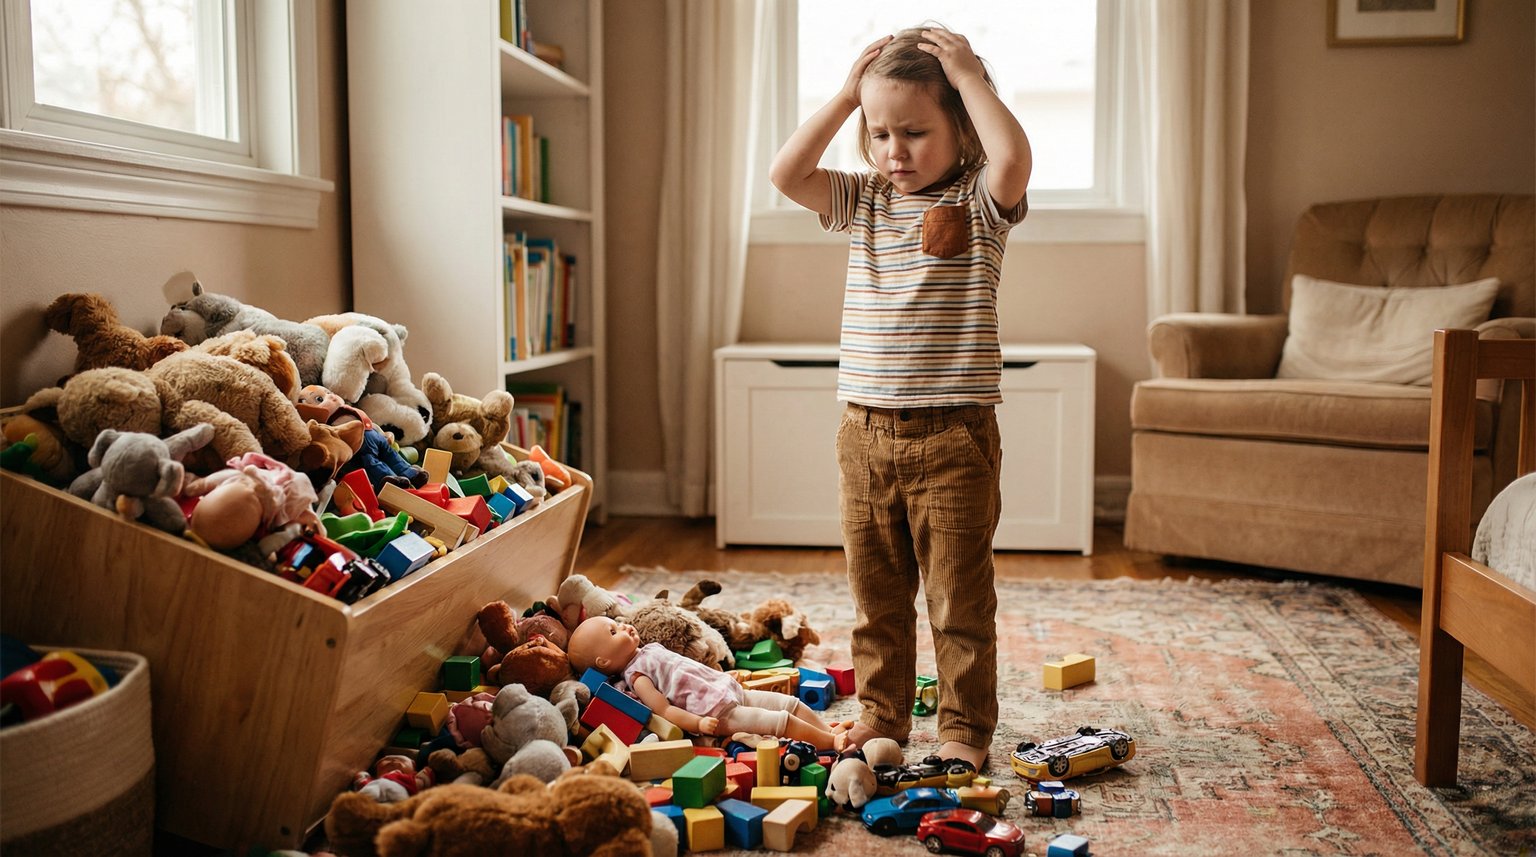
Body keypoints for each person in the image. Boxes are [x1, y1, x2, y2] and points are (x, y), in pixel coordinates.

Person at [767, 25, 1032, 772]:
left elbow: (1013, 156)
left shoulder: (982, 201)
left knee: (958, 602)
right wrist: (847, 94)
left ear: (962, 130)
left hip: (954, 439)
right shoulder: (867, 201)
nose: (895, 150)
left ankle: (963, 729)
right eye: (879, 132)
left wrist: (971, 75)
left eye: (915, 132)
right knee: (876, 597)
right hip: (864, 435)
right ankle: (882, 715)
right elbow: (787, 173)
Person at [566, 615, 846, 749]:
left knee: (789, 702)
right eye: (614, 631)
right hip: (716, 711)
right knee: (778, 720)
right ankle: (830, 742)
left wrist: (721, 676)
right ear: (603, 662)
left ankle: (824, 728)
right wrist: (697, 724)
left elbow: (689, 669)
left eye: (617, 622)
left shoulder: (649, 649)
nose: (624, 626)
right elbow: (664, 711)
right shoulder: (637, 678)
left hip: (728, 689)